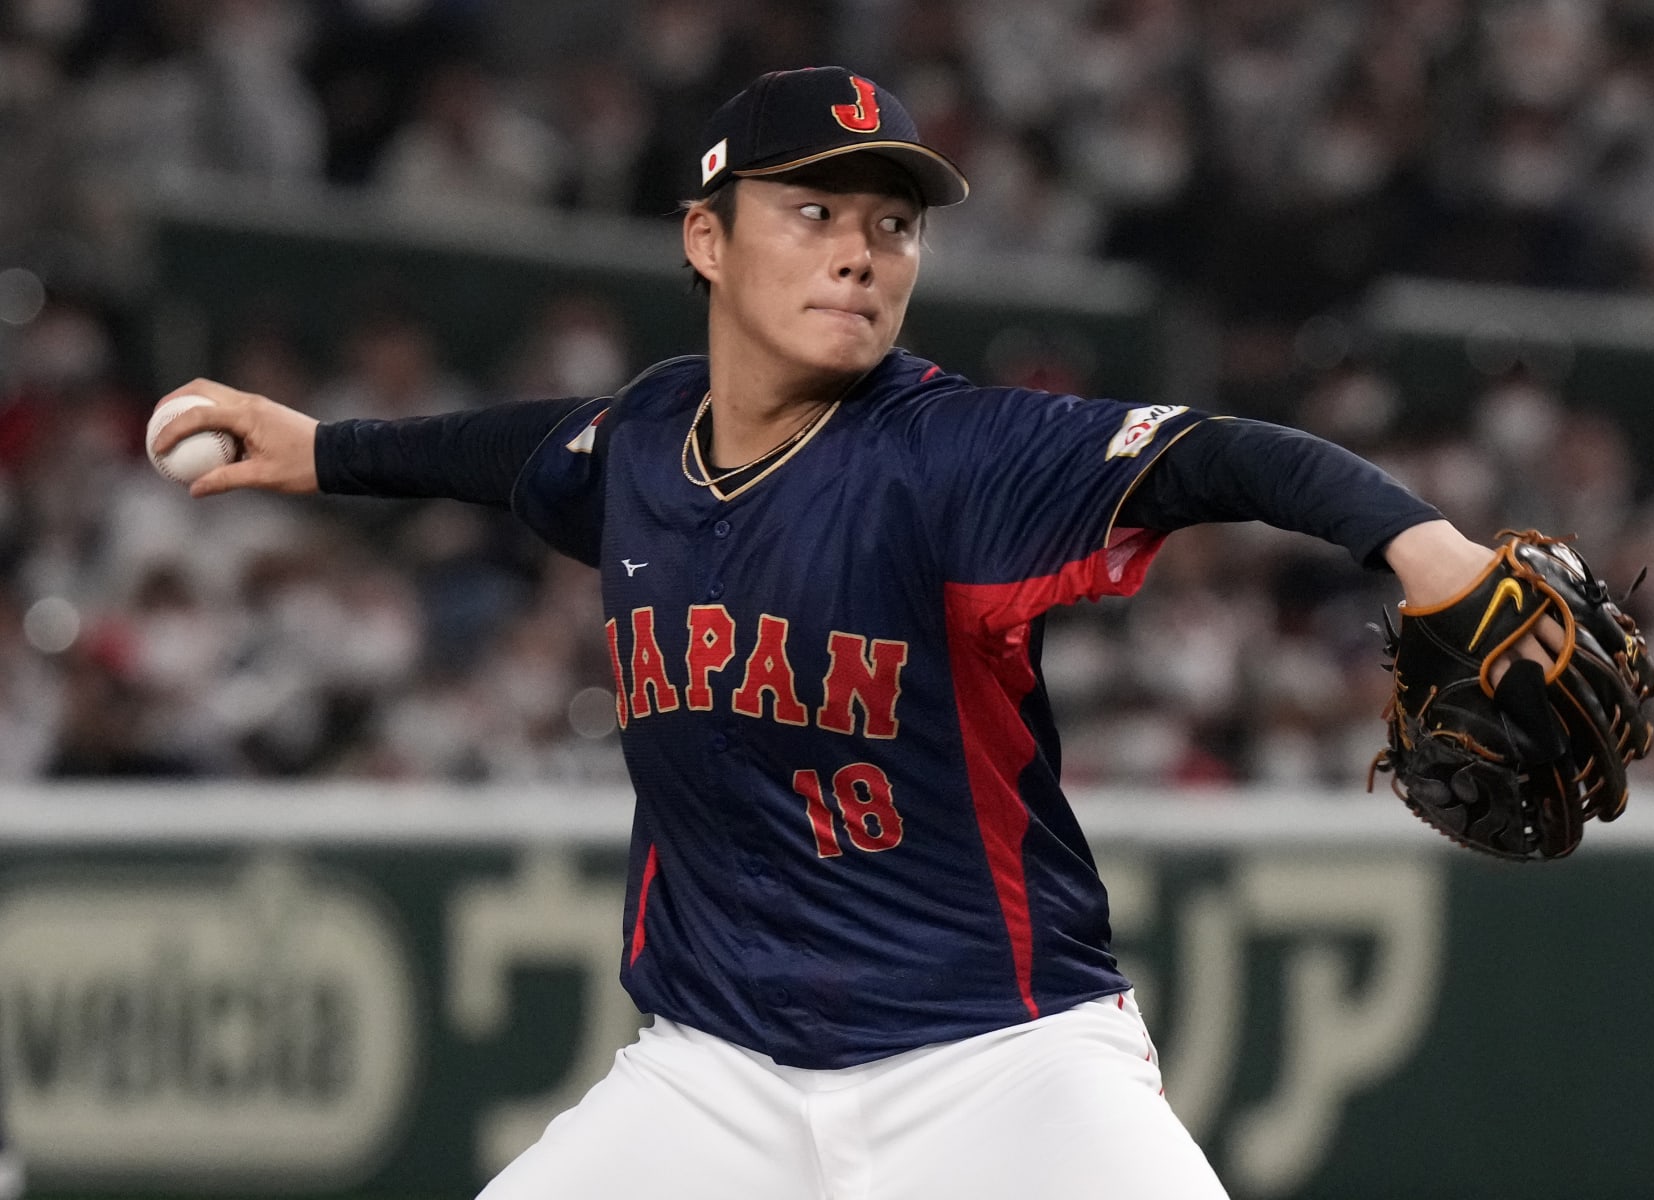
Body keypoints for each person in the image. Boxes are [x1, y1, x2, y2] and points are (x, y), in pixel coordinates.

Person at [154, 66, 1550, 1200]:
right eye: (815, 213)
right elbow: (505, 447)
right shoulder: (641, 439)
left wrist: (1424, 546)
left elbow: (1212, 456)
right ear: (706, 238)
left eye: (893, 224)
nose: (862, 252)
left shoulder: (953, 451)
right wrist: (326, 448)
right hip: (715, 1075)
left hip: (1001, 1066)